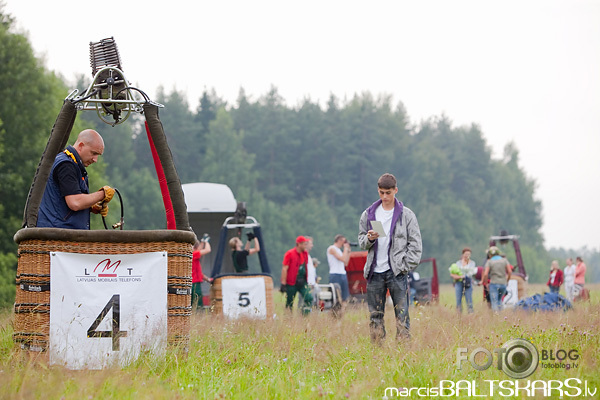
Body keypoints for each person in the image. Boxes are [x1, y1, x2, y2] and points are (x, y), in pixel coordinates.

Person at [358, 173, 422, 342]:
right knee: (375, 316)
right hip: (374, 272)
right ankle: (377, 354)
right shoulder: (368, 214)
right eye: (381, 192)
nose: (385, 196)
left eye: (388, 192)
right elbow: (361, 242)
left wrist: (403, 266)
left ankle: (403, 353)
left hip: (397, 272)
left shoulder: (407, 215)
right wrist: (370, 239)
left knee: (402, 315)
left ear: (396, 190)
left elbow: (416, 245)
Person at [37, 129, 114, 229]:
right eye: (94, 153)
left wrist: (90, 206)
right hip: (59, 236)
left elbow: (64, 201)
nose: (95, 160)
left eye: (97, 155)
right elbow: (75, 202)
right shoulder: (66, 165)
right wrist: (102, 194)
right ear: (81, 146)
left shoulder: (72, 164)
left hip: (61, 233)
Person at [281, 236, 312, 314]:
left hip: (302, 281)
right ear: (299, 244)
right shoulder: (289, 254)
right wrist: (283, 283)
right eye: (304, 244)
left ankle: (305, 316)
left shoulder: (305, 254)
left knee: (309, 298)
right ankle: (288, 319)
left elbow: (305, 266)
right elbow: (285, 268)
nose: (306, 245)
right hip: (292, 282)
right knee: (290, 302)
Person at [481, 246, 511, 312]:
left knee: (494, 301)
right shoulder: (504, 260)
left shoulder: (490, 262)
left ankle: (495, 317)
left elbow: (485, 274)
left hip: (494, 283)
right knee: (500, 300)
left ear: (490, 254)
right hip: (503, 283)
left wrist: (486, 284)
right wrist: (507, 280)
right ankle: (500, 317)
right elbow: (509, 271)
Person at [450, 247, 477, 313]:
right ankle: (459, 315)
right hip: (459, 283)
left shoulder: (472, 263)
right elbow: (453, 273)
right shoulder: (458, 263)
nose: (467, 255)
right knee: (458, 301)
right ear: (463, 254)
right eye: (466, 254)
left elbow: (472, 273)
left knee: (469, 301)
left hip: (468, 283)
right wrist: (460, 276)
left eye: (468, 254)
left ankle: (471, 314)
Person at [327, 234, 351, 303]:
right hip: (335, 274)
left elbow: (346, 262)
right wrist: (345, 249)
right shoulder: (332, 248)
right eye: (344, 241)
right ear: (339, 240)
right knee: (336, 296)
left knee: (345, 297)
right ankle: (334, 312)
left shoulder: (340, 251)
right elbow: (343, 259)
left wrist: (348, 251)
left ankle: (342, 312)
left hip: (342, 274)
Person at [192, 236, 212, 312]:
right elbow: (208, 250)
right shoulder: (194, 254)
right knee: (198, 304)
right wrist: (206, 241)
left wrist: (208, 279)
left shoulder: (194, 257)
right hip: (195, 284)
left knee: (196, 304)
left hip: (195, 283)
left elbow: (200, 274)